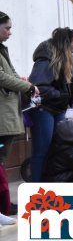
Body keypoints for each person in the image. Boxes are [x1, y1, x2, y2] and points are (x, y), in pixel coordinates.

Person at [0, 12, 38, 219]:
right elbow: (2, 77)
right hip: (2, 117)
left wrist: (24, 83)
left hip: (6, 115)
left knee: (1, 159)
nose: (10, 32)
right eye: (7, 28)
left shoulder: (2, 50)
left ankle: (4, 206)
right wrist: (27, 86)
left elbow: (11, 74)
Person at [29, 27, 73, 182]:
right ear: (66, 43)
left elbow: (71, 86)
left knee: (57, 150)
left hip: (59, 108)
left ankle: (51, 188)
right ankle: (37, 191)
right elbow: (40, 87)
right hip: (44, 109)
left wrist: (71, 103)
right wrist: (62, 96)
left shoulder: (68, 59)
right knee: (42, 150)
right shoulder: (46, 58)